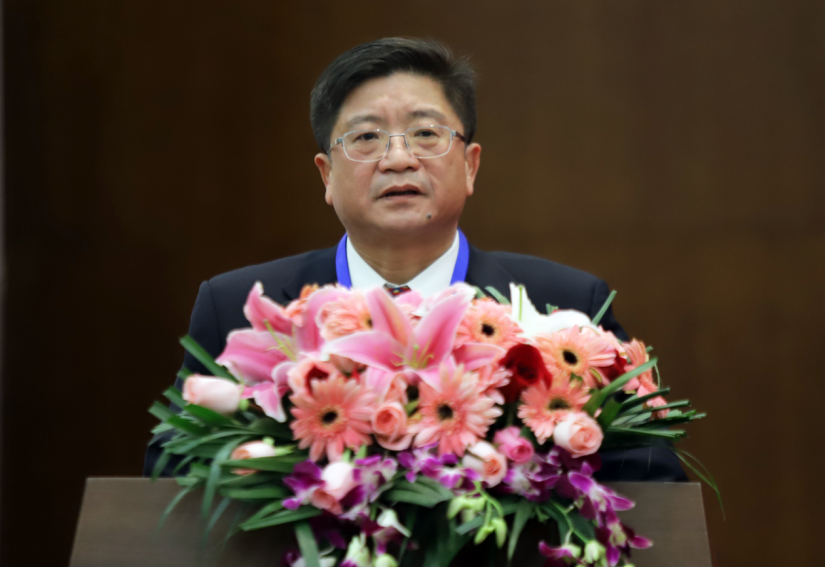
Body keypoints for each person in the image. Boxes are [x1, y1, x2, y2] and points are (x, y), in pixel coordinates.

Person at [144, 37, 685, 482]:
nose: (398, 158)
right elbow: (172, 472)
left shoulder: (564, 306)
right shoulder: (236, 307)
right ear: (326, 176)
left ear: (470, 166)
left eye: (426, 134)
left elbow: (651, 478)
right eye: (366, 137)